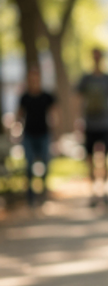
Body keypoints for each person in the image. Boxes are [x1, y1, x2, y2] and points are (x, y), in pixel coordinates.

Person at [76, 48, 108, 207]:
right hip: (89, 124)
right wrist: (78, 121)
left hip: (105, 124)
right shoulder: (86, 80)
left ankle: (106, 191)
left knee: (106, 159)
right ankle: (93, 193)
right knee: (90, 161)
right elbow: (79, 101)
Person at [17, 66, 56, 206]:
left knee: (45, 162)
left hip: (44, 134)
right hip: (28, 135)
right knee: (29, 164)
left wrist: (55, 131)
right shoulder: (24, 97)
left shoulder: (47, 96)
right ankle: (30, 195)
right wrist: (15, 131)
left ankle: (43, 191)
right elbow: (19, 115)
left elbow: (53, 115)